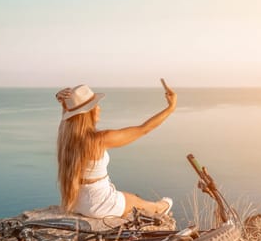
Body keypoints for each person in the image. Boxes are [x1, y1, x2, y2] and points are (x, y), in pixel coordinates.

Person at [55, 78, 177, 219]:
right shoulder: (99, 140)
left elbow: (69, 118)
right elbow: (143, 129)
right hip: (99, 204)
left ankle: (155, 206)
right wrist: (170, 108)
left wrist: (64, 103)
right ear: (88, 112)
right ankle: (161, 207)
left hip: (76, 202)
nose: (99, 108)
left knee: (129, 198)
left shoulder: (66, 136)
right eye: (96, 105)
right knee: (140, 202)